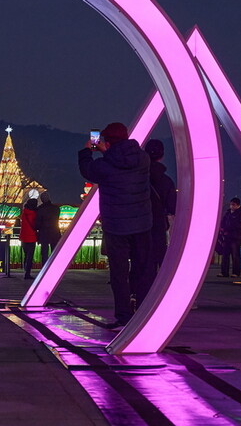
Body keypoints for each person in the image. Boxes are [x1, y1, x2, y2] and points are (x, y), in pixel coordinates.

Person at [79, 122, 152, 328]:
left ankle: (123, 315)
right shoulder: (143, 159)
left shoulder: (104, 165)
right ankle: (144, 311)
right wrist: (108, 151)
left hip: (116, 226)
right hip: (142, 222)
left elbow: (88, 169)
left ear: (107, 142)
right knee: (143, 269)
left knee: (119, 274)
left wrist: (88, 151)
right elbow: (122, 160)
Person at [143, 139, 176, 283]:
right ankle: (161, 292)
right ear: (161, 156)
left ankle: (139, 294)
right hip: (158, 224)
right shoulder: (167, 181)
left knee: (142, 261)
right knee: (159, 257)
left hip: (139, 223)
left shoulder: (138, 177)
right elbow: (172, 207)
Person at [218, 198, 241, 278]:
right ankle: (224, 272)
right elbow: (223, 222)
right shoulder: (227, 214)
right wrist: (223, 229)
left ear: (238, 205)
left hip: (235, 237)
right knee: (225, 255)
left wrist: (227, 229)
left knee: (235, 255)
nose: (231, 206)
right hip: (227, 237)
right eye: (231, 204)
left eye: (233, 204)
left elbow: (239, 225)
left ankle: (236, 272)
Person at [35, 191, 61, 265]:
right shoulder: (56, 209)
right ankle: (54, 266)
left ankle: (45, 268)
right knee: (54, 252)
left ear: (42, 200)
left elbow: (38, 224)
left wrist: (36, 229)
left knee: (44, 253)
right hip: (55, 232)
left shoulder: (40, 209)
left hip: (44, 233)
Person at [19, 198, 39, 279]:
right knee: (30, 256)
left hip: (24, 236)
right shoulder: (34, 213)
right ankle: (27, 273)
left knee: (26, 254)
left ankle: (25, 269)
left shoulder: (24, 212)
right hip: (31, 237)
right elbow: (35, 225)